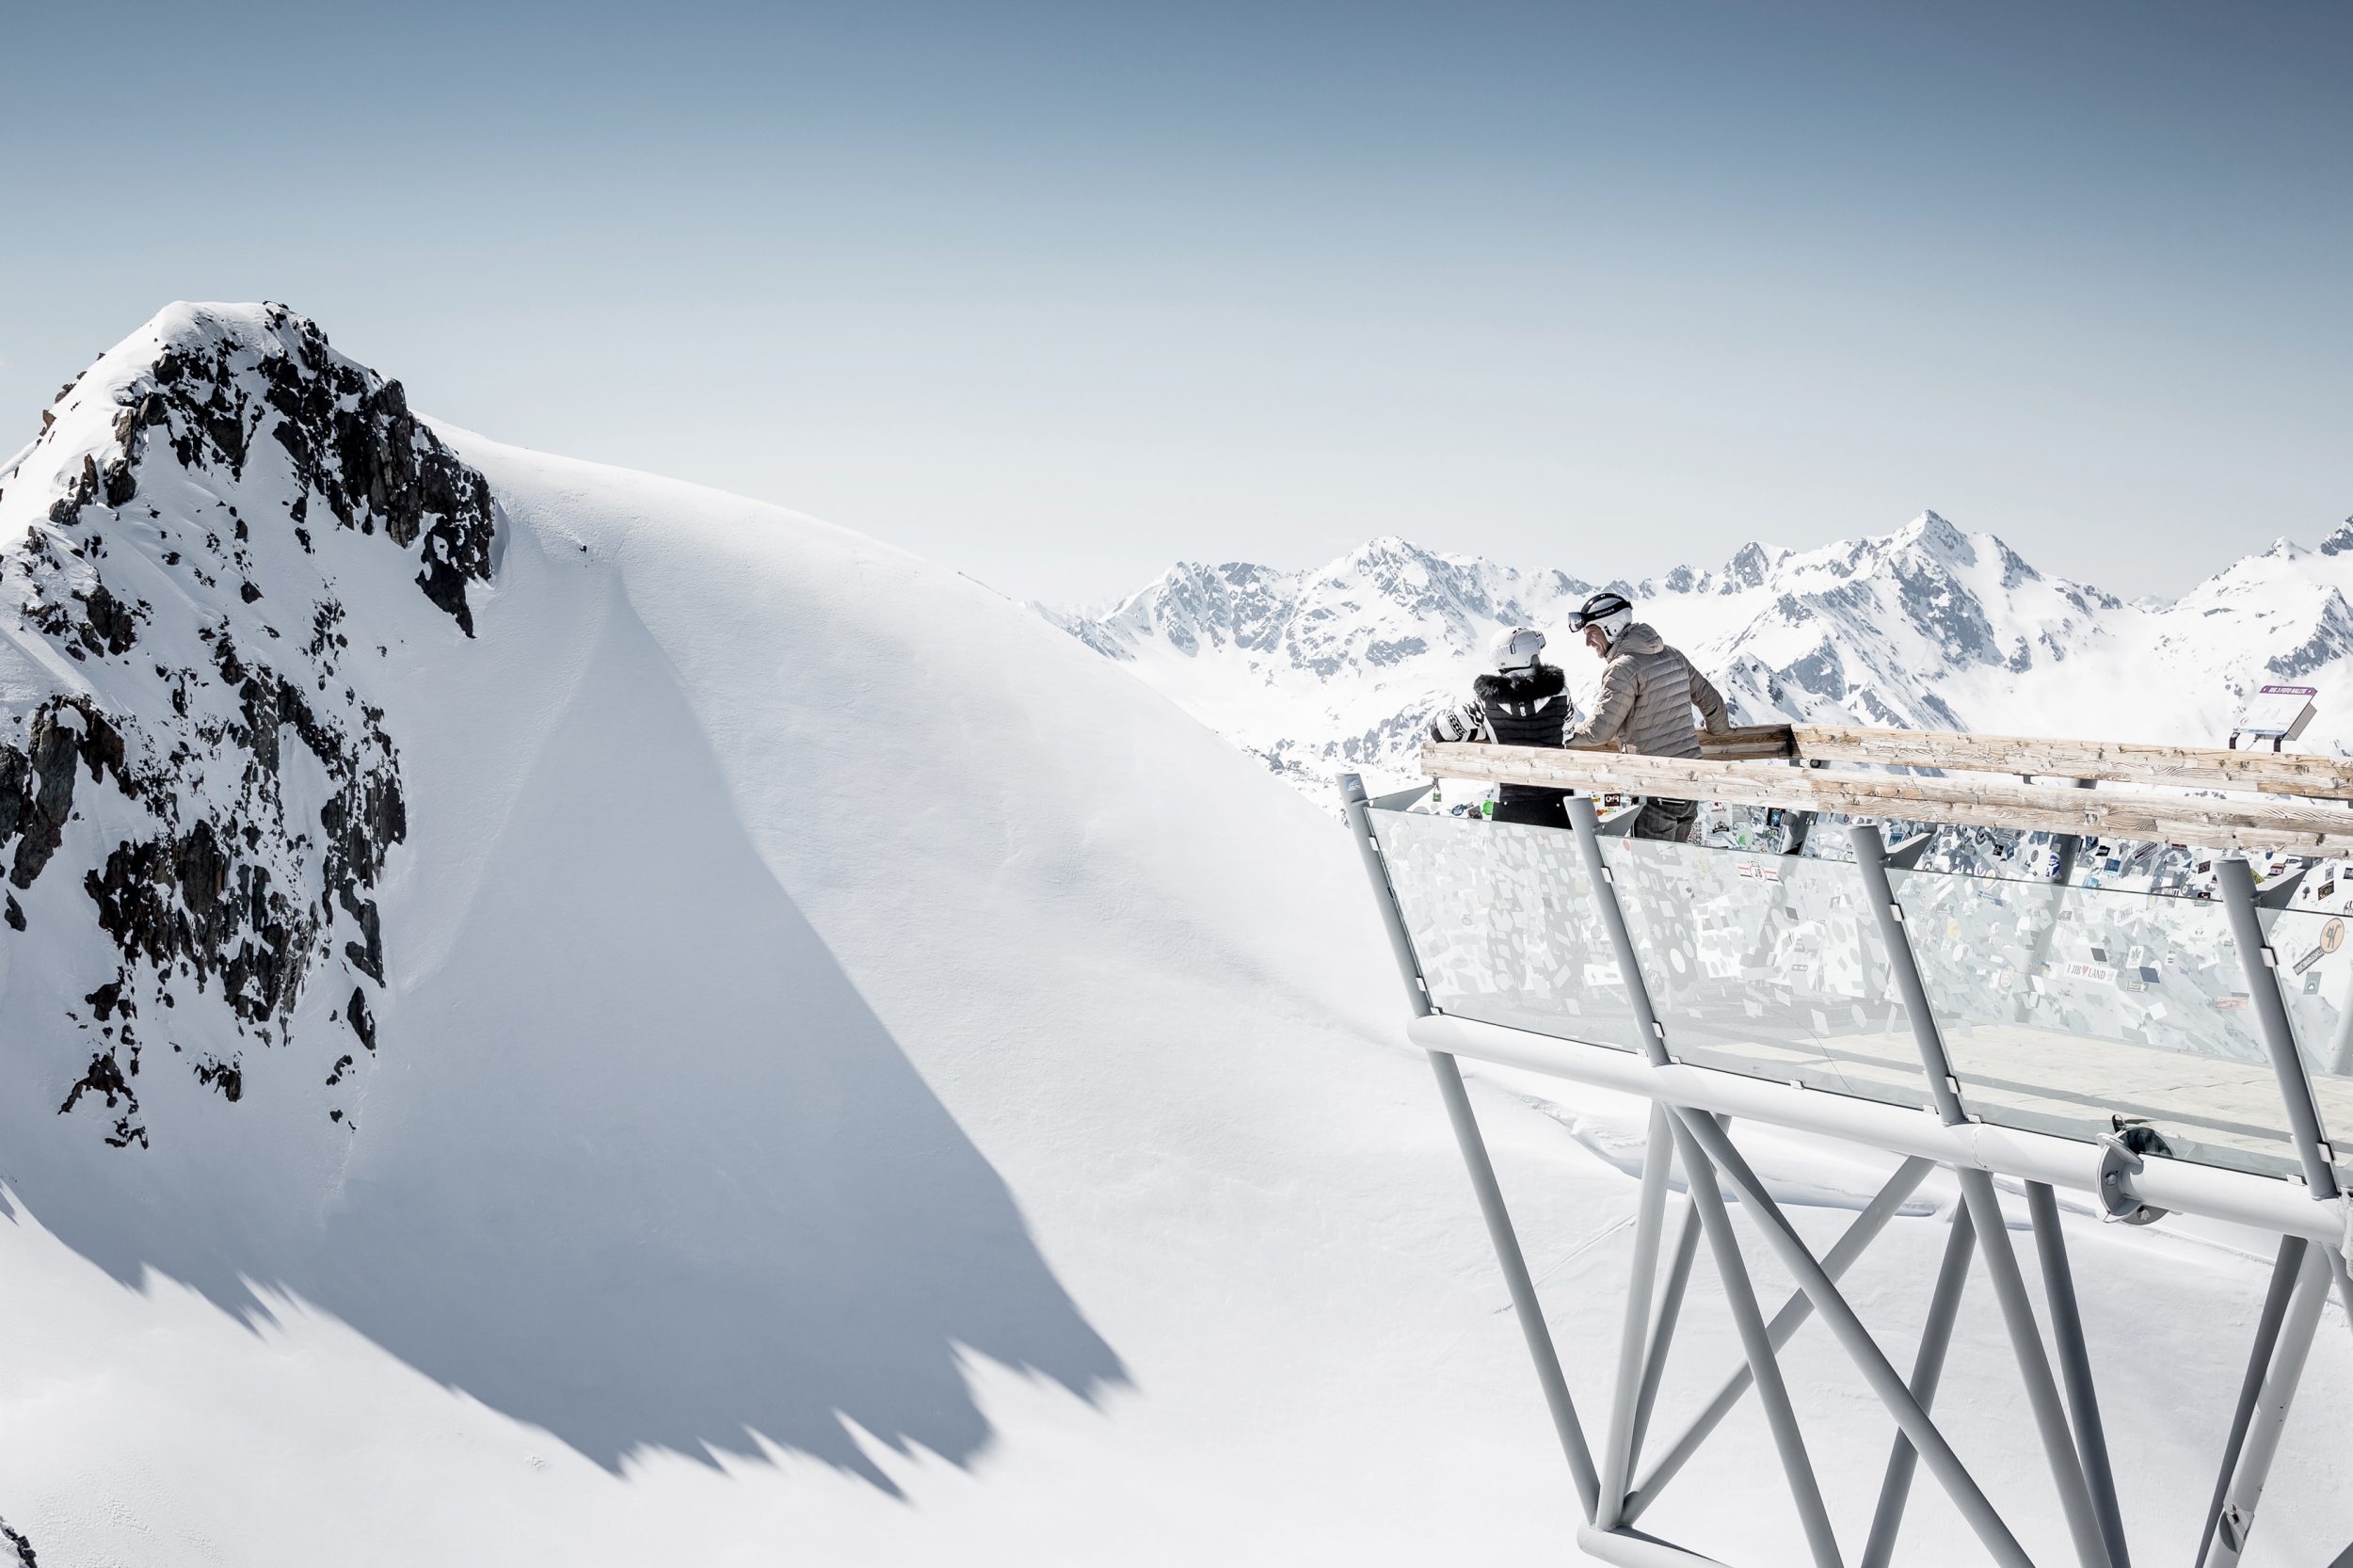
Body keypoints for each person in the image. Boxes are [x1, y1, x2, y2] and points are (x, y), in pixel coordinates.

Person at [1562, 590, 1731, 841]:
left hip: (1655, 786)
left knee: (1651, 871)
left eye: (1591, 633)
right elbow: (1713, 702)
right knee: (1676, 868)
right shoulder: (1672, 654)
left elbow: (1599, 731)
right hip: (1690, 783)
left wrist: (1563, 736)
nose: (1588, 642)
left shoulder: (1622, 668)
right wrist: (1718, 734)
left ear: (1612, 628)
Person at [1428, 627, 1577, 828]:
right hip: (1559, 802)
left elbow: (1440, 731)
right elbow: (1567, 733)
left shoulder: (1485, 703)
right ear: (1530, 655)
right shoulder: (1561, 694)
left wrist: (1485, 731)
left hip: (1510, 802)